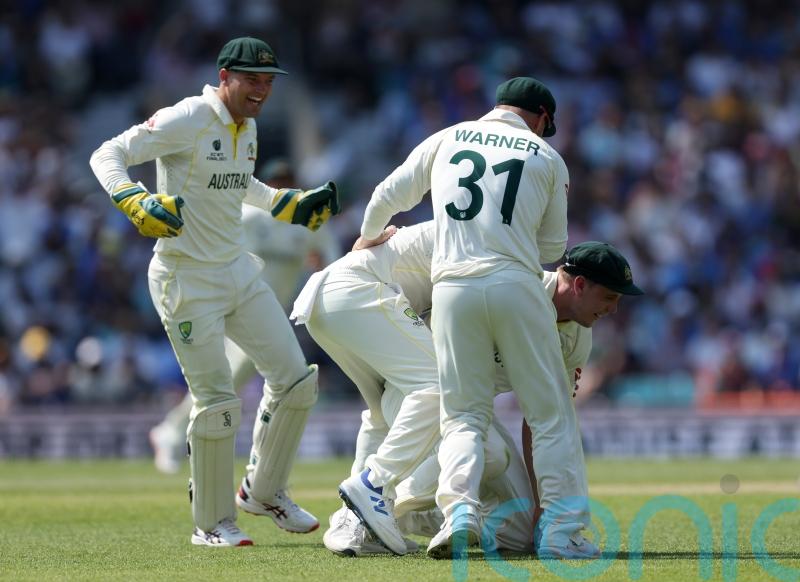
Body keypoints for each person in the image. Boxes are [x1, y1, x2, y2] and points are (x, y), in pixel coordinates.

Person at [89, 37, 341, 547]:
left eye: (268, 82)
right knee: (218, 402)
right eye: (252, 80)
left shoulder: (245, 126)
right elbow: (107, 152)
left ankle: (264, 491)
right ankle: (211, 524)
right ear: (224, 75)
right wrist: (133, 199)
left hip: (238, 272)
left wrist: (286, 204)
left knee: (296, 380)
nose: (262, 91)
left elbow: (238, 183)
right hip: (185, 279)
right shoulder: (187, 117)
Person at [346, 76, 596, 559]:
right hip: (516, 284)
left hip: (452, 286)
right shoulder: (546, 157)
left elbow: (388, 193)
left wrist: (368, 236)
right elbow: (550, 249)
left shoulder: (449, 136)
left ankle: (459, 513)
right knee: (549, 415)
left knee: (461, 415)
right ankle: (561, 534)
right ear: (542, 117)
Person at [300, 227, 641, 556]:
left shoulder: (577, 341)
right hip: (417, 397)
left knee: (518, 531)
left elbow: (541, 420)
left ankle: (417, 514)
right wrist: (377, 239)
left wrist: (542, 507)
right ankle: (383, 499)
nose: (613, 309)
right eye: (609, 297)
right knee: (485, 448)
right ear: (580, 284)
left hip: (464, 410)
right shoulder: (506, 282)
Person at [148, 159, 342, 474]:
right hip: (236, 309)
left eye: (288, 180)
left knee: (236, 377)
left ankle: (176, 432)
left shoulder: (308, 221)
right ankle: (252, 463)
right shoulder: (249, 216)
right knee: (237, 375)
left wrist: (322, 269)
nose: (283, 187)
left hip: (272, 316)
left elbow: (333, 260)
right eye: (277, 181)